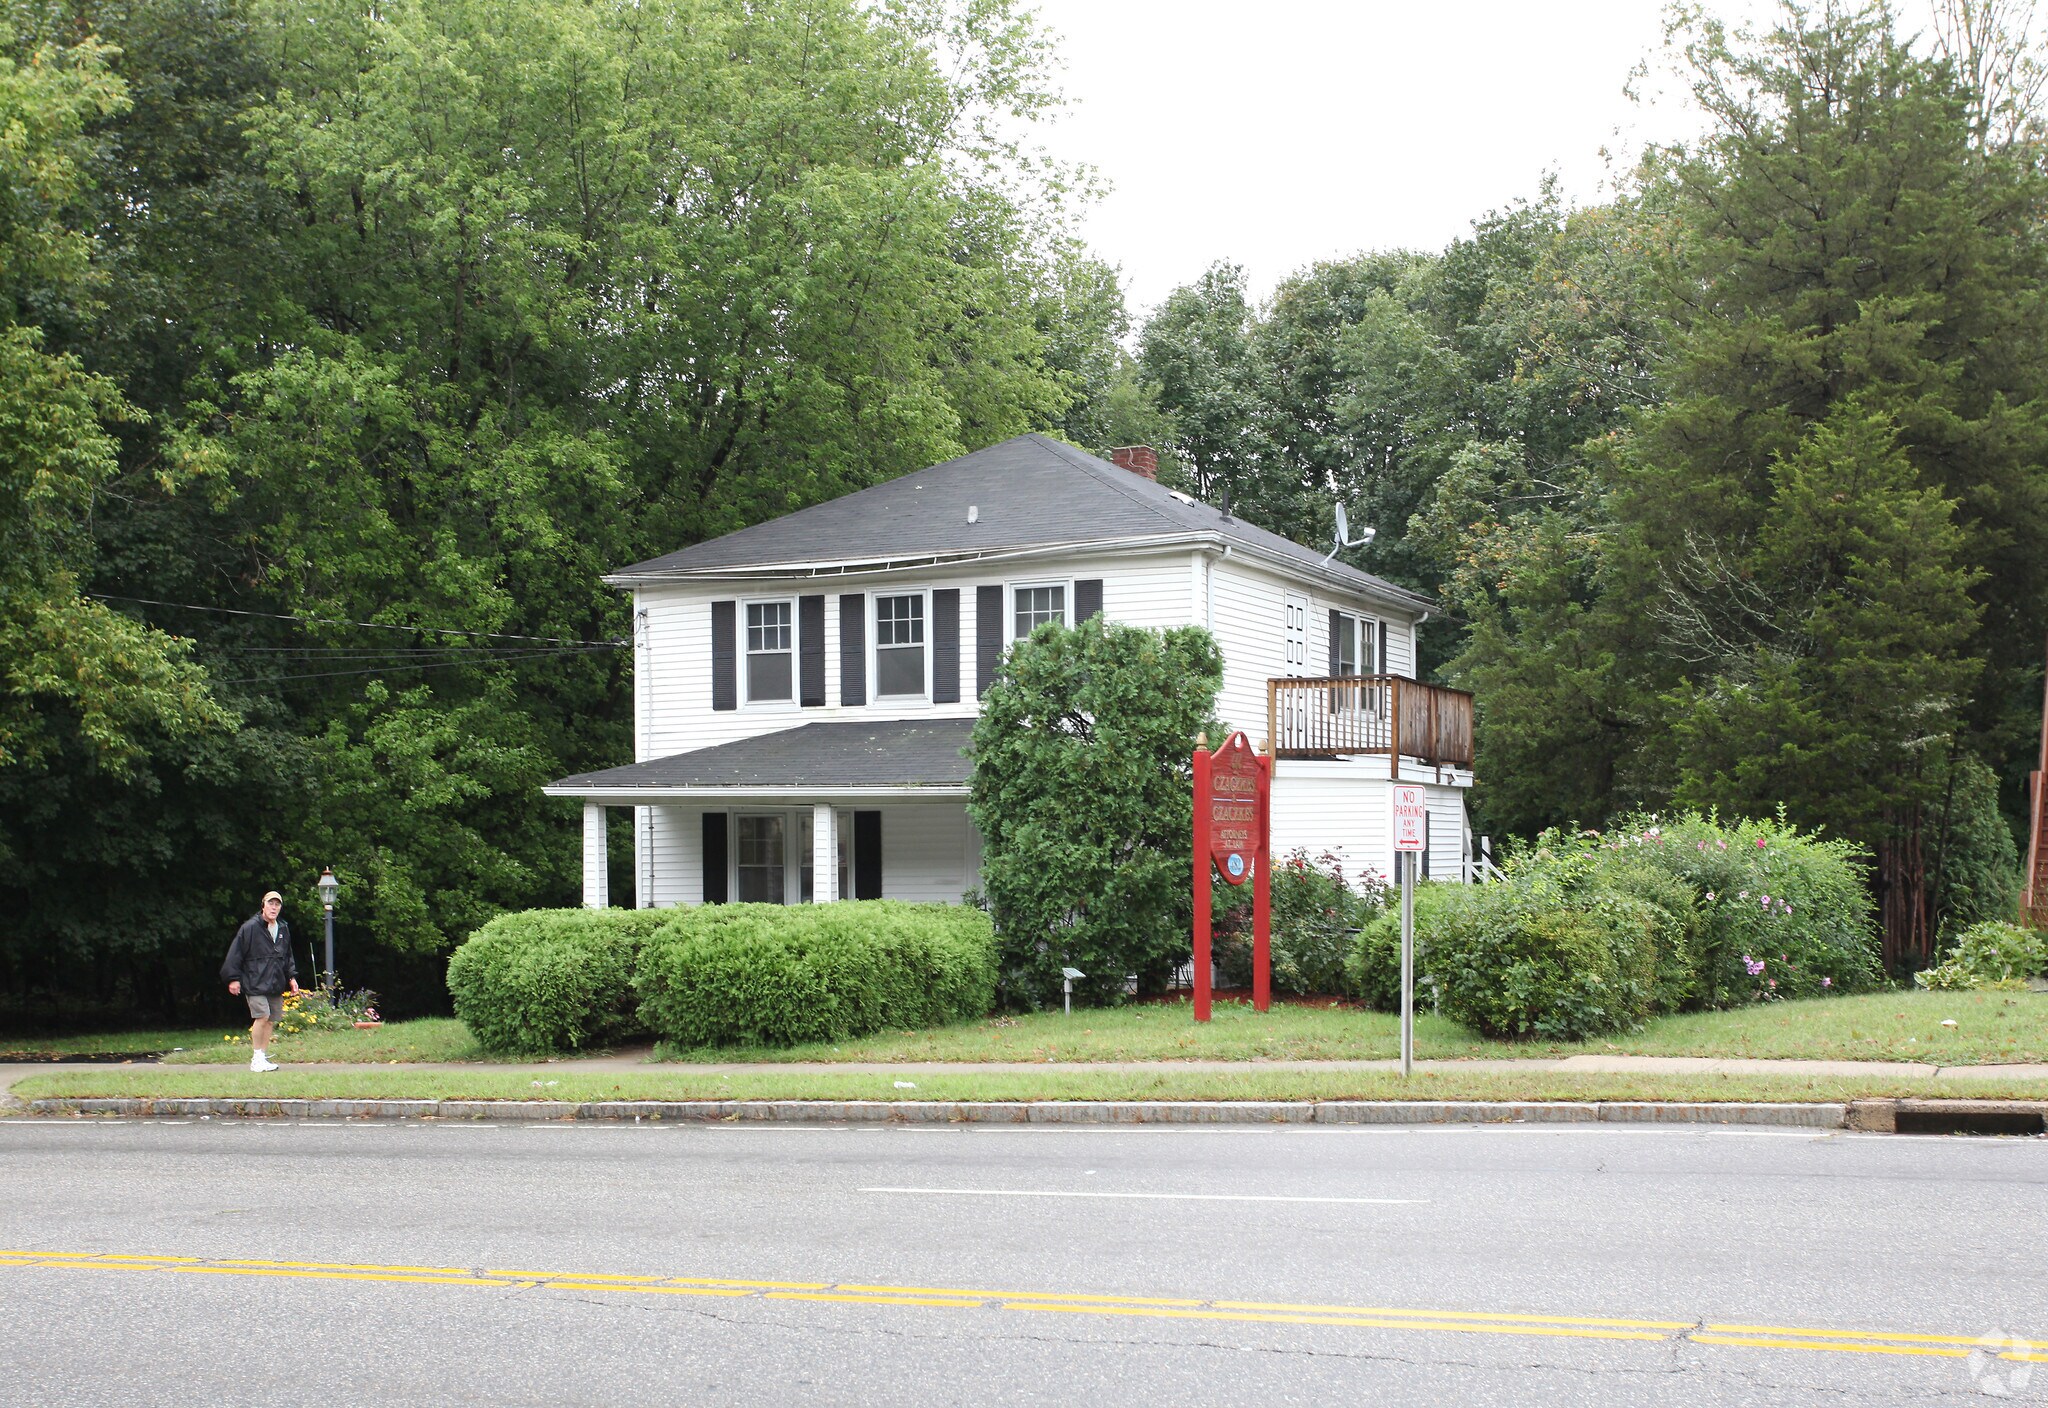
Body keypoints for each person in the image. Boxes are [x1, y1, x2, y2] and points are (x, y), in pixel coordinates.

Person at [222, 890, 301, 1073]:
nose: (274, 907)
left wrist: (292, 977)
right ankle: (256, 1057)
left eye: (277, 904)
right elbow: (236, 953)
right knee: (262, 1016)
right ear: (263, 905)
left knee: (272, 1019)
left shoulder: (283, 928)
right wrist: (233, 978)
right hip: (254, 981)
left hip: (275, 982)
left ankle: (263, 1057)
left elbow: (287, 955)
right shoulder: (250, 928)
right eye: (270, 904)